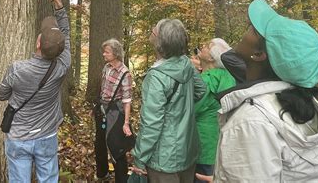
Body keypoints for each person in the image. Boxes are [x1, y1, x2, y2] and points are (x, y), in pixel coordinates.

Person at [197, 0, 318, 182]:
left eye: (253, 29)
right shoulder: (307, 108)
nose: (249, 27)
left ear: (259, 54)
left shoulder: (252, 120)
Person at [0, 0, 70, 183]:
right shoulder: (62, 66)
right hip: (47, 136)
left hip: (19, 137)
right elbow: (67, 35)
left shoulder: (17, 69)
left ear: (38, 43)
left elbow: (2, 95)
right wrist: (59, 6)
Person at [132, 19, 206, 183]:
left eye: (154, 29)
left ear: (160, 42)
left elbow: (151, 123)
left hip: (164, 158)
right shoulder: (185, 63)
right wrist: (181, 109)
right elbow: (201, 90)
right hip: (188, 150)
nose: (151, 29)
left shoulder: (156, 77)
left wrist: (139, 158)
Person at [192, 38, 235, 182]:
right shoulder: (229, 76)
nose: (202, 46)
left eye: (206, 46)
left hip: (203, 143)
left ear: (211, 58)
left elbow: (190, 109)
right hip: (222, 141)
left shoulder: (207, 80)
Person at [93, 38, 133, 183]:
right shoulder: (106, 68)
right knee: (100, 143)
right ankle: (102, 173)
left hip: (115, 113)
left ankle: (121, 179)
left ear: (115, 53)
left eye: (107, 52)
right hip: (102, 110)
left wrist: (126, 123)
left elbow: (127, 101)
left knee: (116, 148)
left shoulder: (125, 73)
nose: (104, 54)